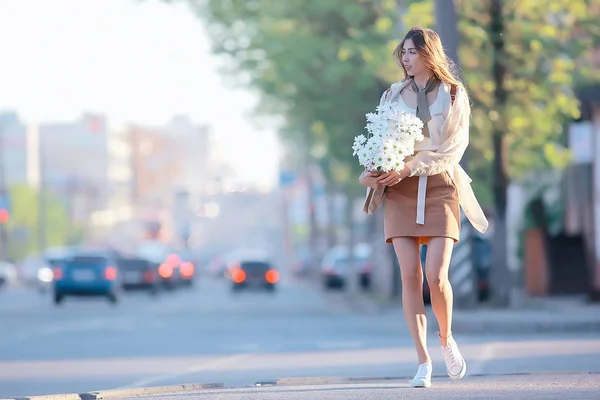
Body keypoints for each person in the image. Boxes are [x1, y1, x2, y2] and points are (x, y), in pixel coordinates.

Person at [359, 26, 488, 388]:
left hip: (440, 187)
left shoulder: (453, 93)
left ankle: (446, 340)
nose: (405, 58)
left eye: (412, 52)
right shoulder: (391, 95)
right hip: (399, 191)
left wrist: (411, 166)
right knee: (410, 277)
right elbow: (381, 140)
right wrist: (376, 168)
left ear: (428, 54)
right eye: (403, 53)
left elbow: (453, 149)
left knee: (436, 274)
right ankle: (422, 361)